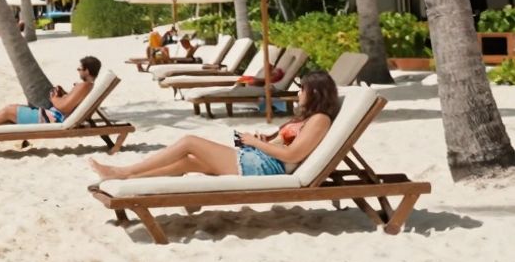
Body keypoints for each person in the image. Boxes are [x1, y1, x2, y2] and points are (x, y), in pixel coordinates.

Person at [89, 71, 341, 181]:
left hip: (263, 167)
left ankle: (123, 171)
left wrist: (255, 143)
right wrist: (265, 140)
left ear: (315, 92)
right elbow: (286, 144)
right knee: (187, 162)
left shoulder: (320, 120)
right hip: (259, 159)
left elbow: (293, 155)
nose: (298, 93)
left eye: (302, 89)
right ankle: (130, 178)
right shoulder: (309, 118)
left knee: (189, 142)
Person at [0, 57, 101, 133]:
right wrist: (64, 94)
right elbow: (70, 104)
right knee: (10, 111)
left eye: (79, 68)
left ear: (87, 70)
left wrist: (54, 98)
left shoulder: (84, 86)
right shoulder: (87, 86)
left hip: (51, 118)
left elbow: (64, 107)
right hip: (52, 116)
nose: (78, 70)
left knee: (8, 111)